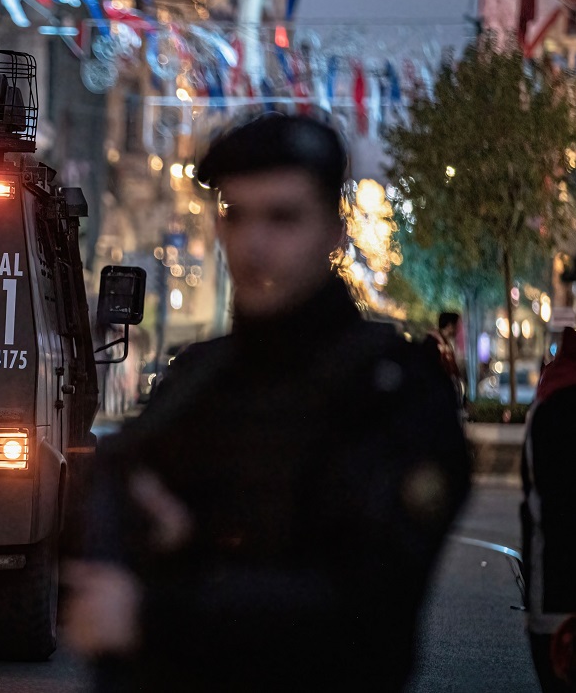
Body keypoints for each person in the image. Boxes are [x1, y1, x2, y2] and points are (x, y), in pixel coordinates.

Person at [64, 112, 471, 692]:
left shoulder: (390, 389)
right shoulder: (200, 376)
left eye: (283, 218)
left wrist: (161, 603)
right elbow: (110, 504)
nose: (254, 244)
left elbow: (365, 613)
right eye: (236, 215)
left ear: (334, 230)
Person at [521, 291, 576, 692]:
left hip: (559, 603)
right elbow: (570, 510)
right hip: (570, 614)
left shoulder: (561, 385)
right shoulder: (572, 400)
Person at [423, 311, 464, 393]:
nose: (459, 330)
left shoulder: (446, 344)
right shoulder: (432, 343)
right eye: (457, 326)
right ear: (449, 326)